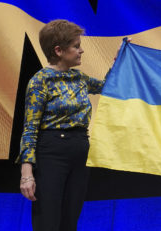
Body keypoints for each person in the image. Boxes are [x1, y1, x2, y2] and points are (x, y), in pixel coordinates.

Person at [17, 19, 106, 230]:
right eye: (76, 46)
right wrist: (26, 175)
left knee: (69, 222)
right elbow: (30, 128)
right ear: (58, 50)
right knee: (48, 221)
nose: (81, 51)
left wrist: (122, 57)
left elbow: (108, 87)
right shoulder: (40, 81)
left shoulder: (79, 78)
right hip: (52, 153)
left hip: (80, 152)